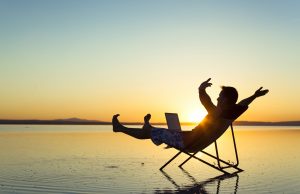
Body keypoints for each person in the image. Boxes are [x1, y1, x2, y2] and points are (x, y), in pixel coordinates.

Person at [112, 78, 269, 150]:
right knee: (158, 131)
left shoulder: (217, 113)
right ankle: (149, 127)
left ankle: (120, 128)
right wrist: (254, 96)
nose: (217, 98)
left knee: (147, 133)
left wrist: (201, 89)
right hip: (191, 139)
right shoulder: (231, 114)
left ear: (226, 100)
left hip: (187, 142)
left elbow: (206, 102)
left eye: (220, 97)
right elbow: (243, 103)